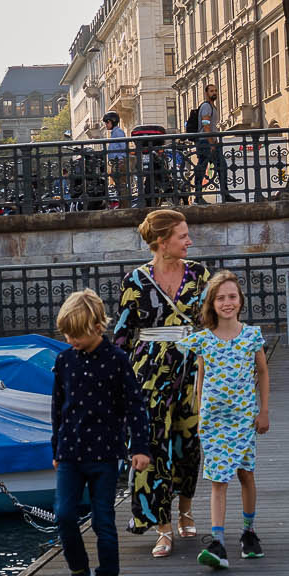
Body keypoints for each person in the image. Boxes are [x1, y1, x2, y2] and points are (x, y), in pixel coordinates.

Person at [111, 207, 208, 555]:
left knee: (188, 444)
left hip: (191, 368)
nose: (189, 241)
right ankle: (161, 526)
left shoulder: (199, 274)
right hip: (149, 374)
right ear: (162, 241)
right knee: (151, 446)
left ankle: (185, 510)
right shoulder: (134, 281)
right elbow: (122, 334)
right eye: (183, 236)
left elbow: (210, 324)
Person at [52, 290, 151, 576]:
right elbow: (58, 408)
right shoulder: (64, 361)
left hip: (105, 455)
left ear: (97, 327)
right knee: (64, 515)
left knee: (103, 521)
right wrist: (55, 447)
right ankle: (79, 573)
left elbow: (135, 406)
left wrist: (140, 447)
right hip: (70, 453)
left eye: (76, 335)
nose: (70, 340)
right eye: (66, 335)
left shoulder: (117, 360)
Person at [177, 270, 270, 569]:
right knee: (218, 479)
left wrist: (264, 410)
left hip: (243, 418)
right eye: (220, 298)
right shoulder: (203, 340)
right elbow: (200, 378)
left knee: (245, 473)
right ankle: (217, 542)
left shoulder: (251, 336)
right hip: (214, 421)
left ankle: (249, 532)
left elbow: (263, 372)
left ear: (240, 300)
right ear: (212, 304)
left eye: (232, 297)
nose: (227, 303)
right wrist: (199, 413)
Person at [192, 82, 233, 203]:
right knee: (213, 167)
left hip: (208, 141)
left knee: (209, 167)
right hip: (206, 142)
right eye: (211, 91)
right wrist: (211, 143)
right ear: (206, 93)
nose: (214, 93)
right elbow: (206, 125)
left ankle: (201, 196)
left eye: (215, 91)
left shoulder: (212, 107)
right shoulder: (206, 107)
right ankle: (201, 196)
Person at [104, 111, 130, 206]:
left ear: (112, 121)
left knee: (121, 184)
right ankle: (122, 203)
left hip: (119, 162)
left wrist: (122, 159)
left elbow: (123, 146)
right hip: (115, 162)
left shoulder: (118, 132)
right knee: (119, 184)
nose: (106, 125)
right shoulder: (114, 133)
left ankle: (125, 205)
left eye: (107, 122)